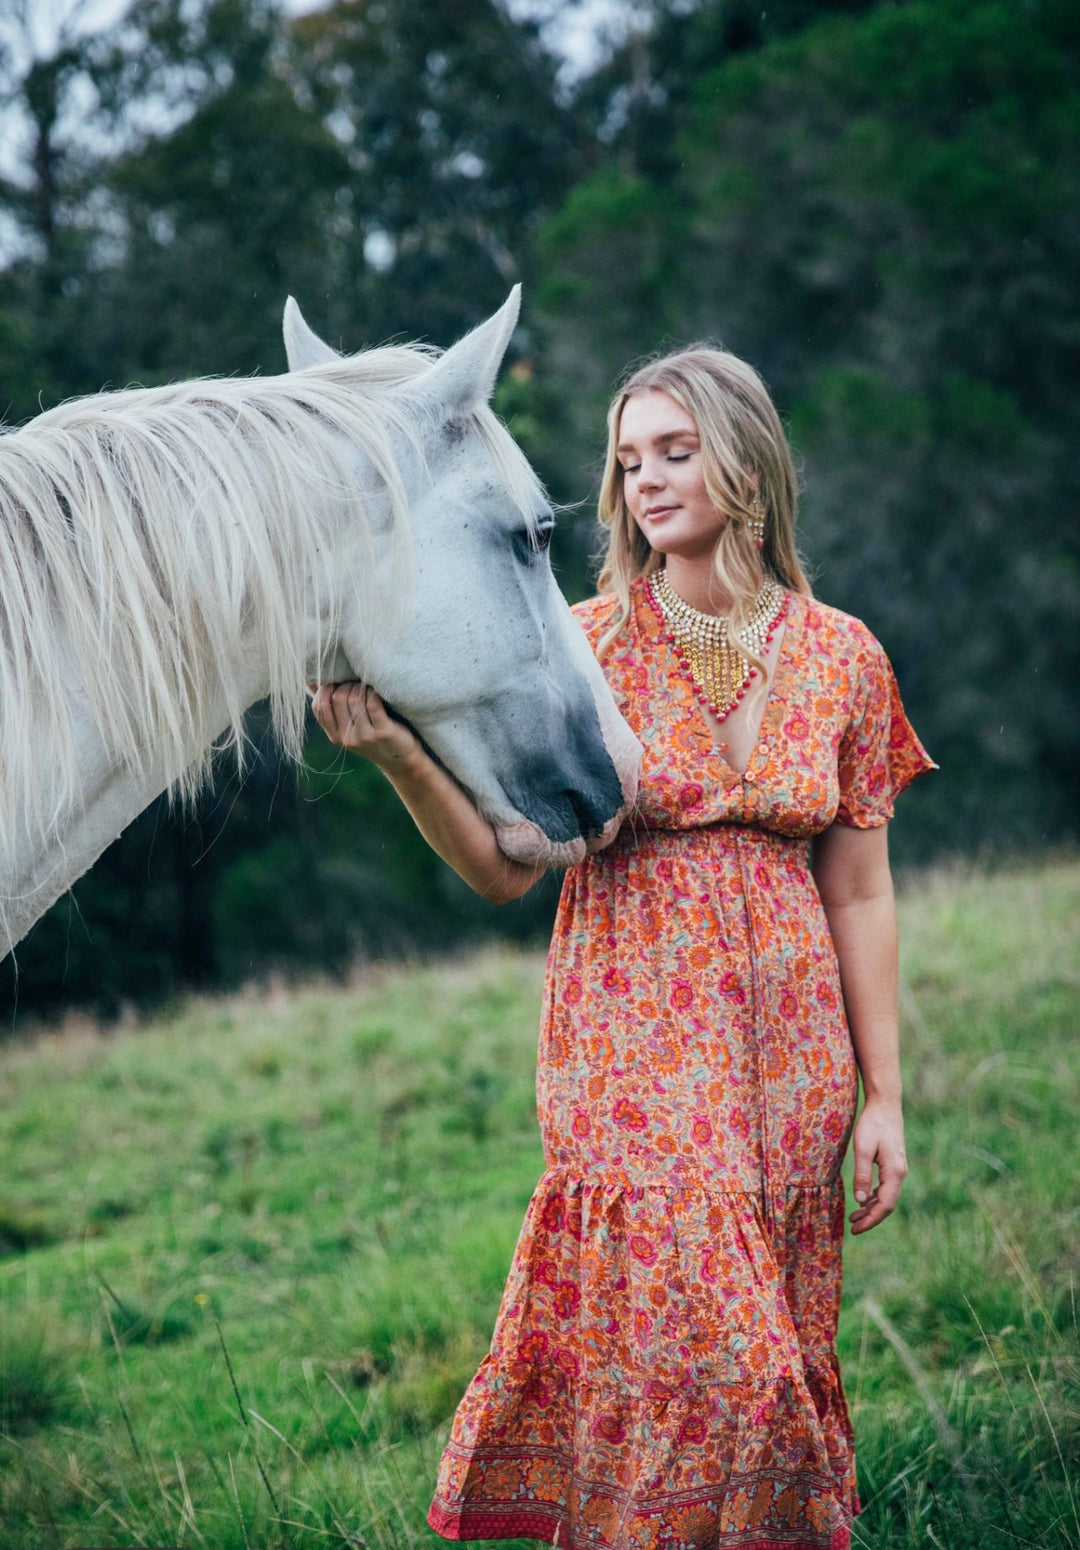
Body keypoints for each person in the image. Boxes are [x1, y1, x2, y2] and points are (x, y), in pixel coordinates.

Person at [312, 345, 935, 1550]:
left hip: (791, 1063)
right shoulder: (583, 645)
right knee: (730, 1350)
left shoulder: (844, 654)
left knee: (772, 1337)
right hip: (633, 1053)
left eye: (674, 451)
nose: (644, 478)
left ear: (745, 461)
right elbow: (503, 868)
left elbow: (859, 891)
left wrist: (886, 1094)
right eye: (628, 458)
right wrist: (396, 757)